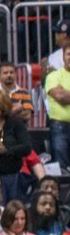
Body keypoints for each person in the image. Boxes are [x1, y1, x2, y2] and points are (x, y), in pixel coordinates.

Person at [45, 42, 70, 171]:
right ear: (63, 57)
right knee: (62, 168)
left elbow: (64, 96)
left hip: (60, 127)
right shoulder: (53, 76)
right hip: (60, 127)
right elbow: (60, 97)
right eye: (68, 54)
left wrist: (65, 92)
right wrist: (63, 94)